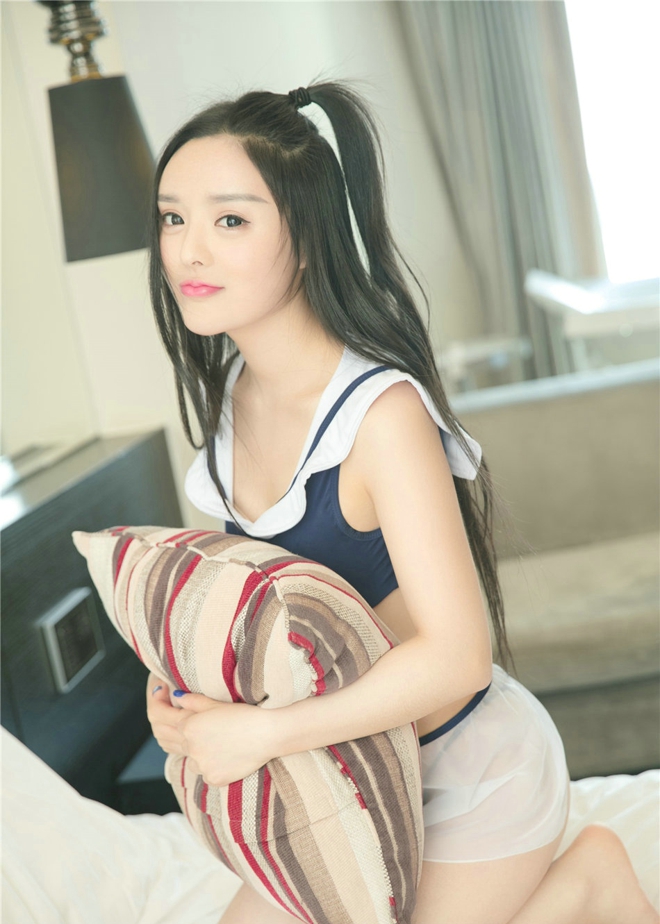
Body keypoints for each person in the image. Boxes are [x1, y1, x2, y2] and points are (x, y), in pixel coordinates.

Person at [144, 82, 657, 924]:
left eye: (230, 220)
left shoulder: (380, 416)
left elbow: (458, 658)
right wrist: (181, 697)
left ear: (305, 239)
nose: (189, 251)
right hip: (344, 775)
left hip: (466, 772)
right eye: (172, 218)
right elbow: (252, 605)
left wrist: (265, 735)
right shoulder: (234, 396)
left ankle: (590, 878)